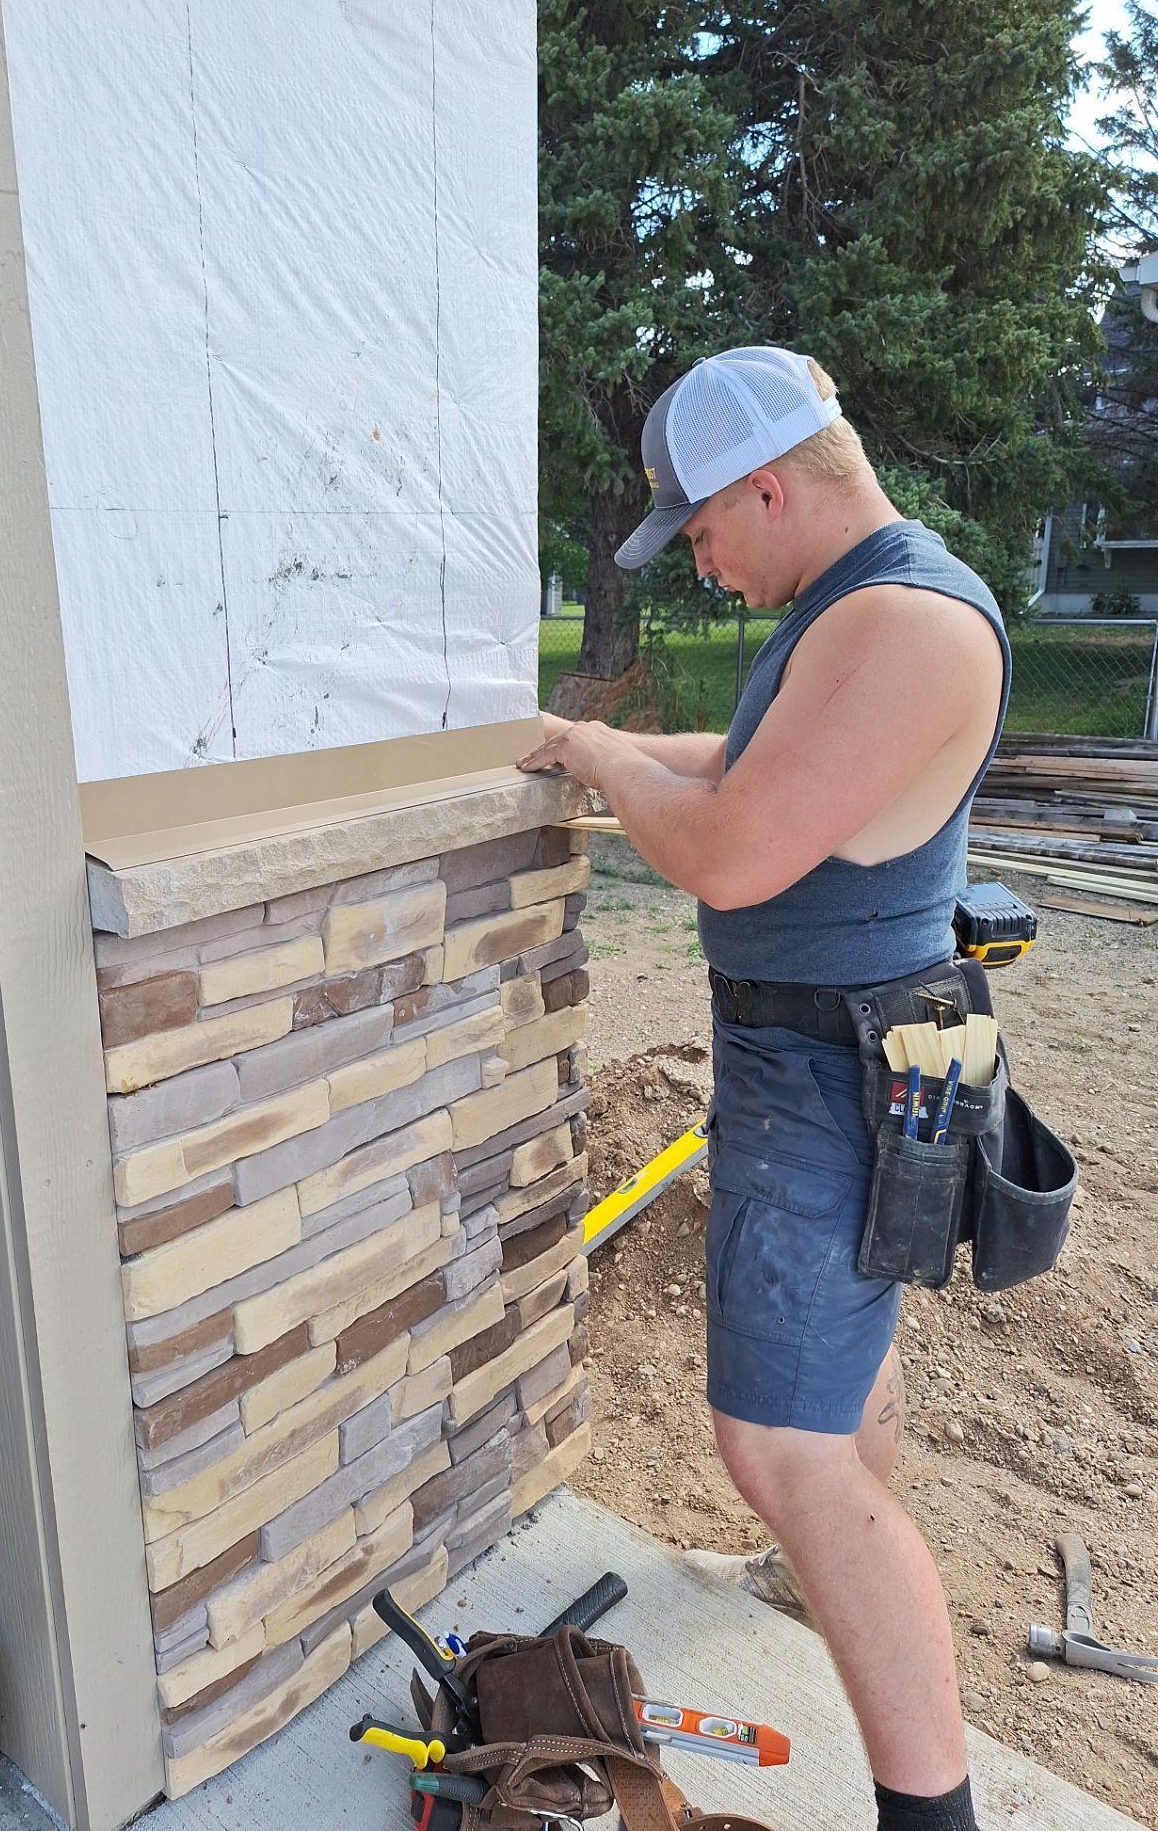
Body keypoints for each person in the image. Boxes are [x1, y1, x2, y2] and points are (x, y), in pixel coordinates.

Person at [519, 345, 1009, 1831]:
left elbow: (729, 849)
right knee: (840, 1370)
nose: (701, 560)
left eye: (702, 528)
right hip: (842, 1047)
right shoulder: (859, 609)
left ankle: (933, 1813)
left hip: (832, 1062)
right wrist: (598, 754)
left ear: (769, 487)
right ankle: (810, 1580)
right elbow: (745, 764)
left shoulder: (906, 624)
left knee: (782, 1448)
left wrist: (598, 752)